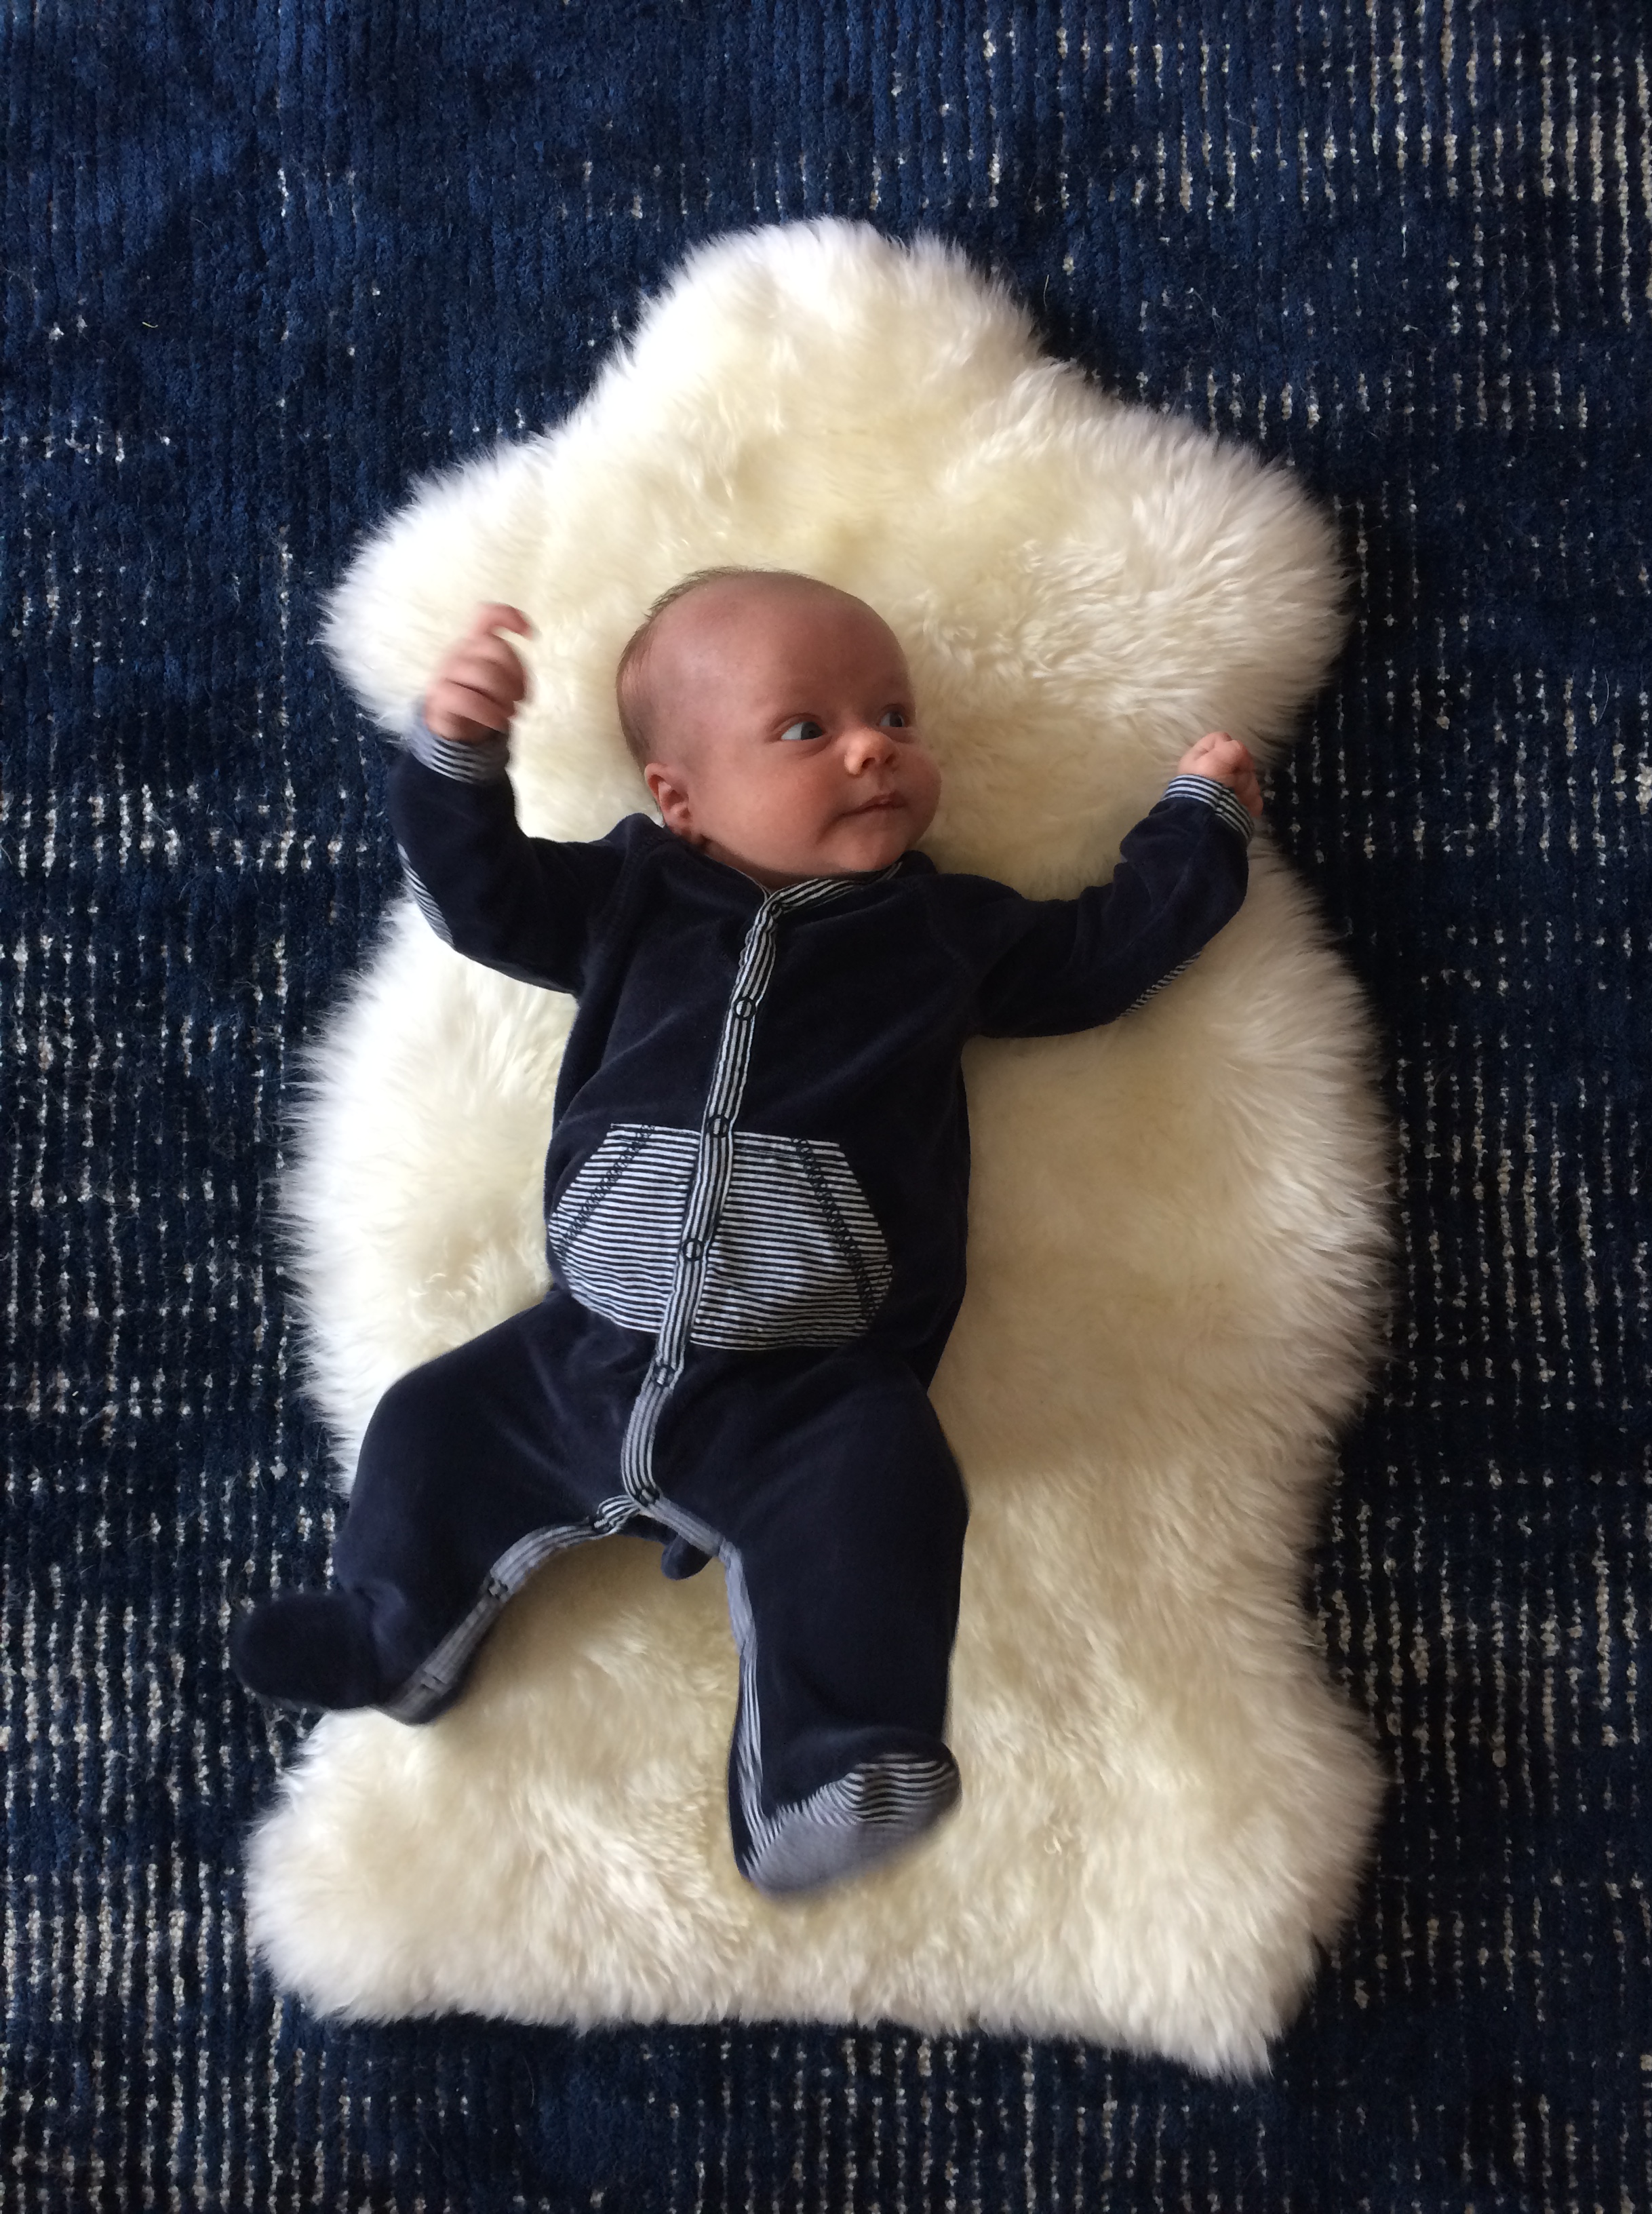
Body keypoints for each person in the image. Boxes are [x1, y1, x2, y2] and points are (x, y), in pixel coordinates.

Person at [232, 570, 1263, 1895]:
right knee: (431, 1423)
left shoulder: (940, 931)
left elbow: (1100, 956)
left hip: (814, 1389)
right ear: (681, 801)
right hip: (579, 1352)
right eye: (807, 729)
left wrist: (1198, 826)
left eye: (895, 716)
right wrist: (458, 758)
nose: (874, 747)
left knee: (889, 1494)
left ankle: (832, 1763)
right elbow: (477, 895)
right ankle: (392, 1630)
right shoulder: (629, 900)